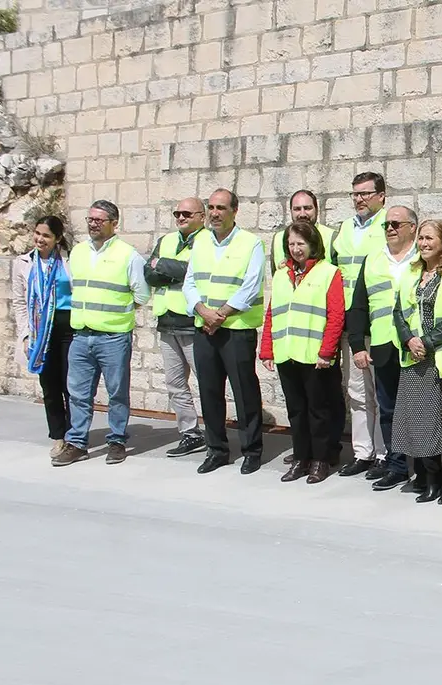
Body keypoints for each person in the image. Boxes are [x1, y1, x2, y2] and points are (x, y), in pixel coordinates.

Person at [52, 201, 149, 467]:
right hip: (81, 336)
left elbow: (141, 293)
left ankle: (117, 440)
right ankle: (77, 443)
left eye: (99, 219)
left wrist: (115, 315)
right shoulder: (79, 253)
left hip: (113, 337)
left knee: (117, 392)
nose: (93, 223)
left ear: (114, 223)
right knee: (78, 394)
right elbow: (76, 288)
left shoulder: (128, 255)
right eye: (90, 218)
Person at [185, 189, 268, 475]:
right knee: (209, 392)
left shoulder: (251, 244)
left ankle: (252, 450)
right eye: (210, 207)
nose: (214, 213)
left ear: (235, 211)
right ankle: (217, 450)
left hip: (236, 329)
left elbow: (251, 285)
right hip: (205, 328)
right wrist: (202, 311)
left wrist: (220, 314)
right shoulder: (200, 243)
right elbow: (190, 283)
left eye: (221, 207)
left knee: (244, 392)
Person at [260, 222, 345, 484]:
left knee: (318, 411)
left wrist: (327, 351)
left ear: (313, 245)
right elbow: (273, 313)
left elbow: (335, 315)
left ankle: (320, 460)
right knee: (296, 410)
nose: (296, 249)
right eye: (292, 244)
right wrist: (267, 350)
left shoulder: (329, 273)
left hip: (315, 356)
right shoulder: (282, 274)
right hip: (287, 353)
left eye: (301, 244)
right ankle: (301, 458)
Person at [392, 220, 442, 504]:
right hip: (414, 358)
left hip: (440, 357)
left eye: (429, 238)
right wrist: (410, 340)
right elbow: (398, 311)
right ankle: (430, 478)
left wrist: (427, 342)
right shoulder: (410, 273)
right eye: (420, 238)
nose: (423, 243)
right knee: (422, 424)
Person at [349, 205, 419, 492]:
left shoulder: (423, 255)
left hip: (416, 346)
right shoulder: (373, 259)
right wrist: (357, 345)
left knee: (419, 410)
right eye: (386, 225)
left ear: (412, 227)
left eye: (396, 224)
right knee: (389, 409)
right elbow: (359, 305)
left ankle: (427, 469)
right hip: (383, 344)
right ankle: (397, 465)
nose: (390, 229)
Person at [332, 172, 389, 478]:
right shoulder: (343, 229)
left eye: (366, 193)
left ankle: (383, 453)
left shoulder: (388, 226)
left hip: (378, 320)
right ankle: (362, 452)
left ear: (382, 195)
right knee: (357, 391)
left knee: (381, 392)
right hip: (350, 322)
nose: (359, 199)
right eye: (355, 194)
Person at [144, 197, 207, 458]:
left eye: (187, 214)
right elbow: (148, 272)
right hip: (167, 322)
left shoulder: (206, 241)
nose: (180, 218)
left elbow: (196, 270)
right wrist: (173, 270)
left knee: (207, 383)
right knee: (175, 383)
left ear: (201, 216)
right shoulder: (166, 241)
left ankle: (215, 433)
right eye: (177, 213)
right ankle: (190, 433)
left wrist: (164, 266)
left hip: (193, 324)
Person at [13, 216, 74, 459]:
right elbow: (19, 302)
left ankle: (75, 435)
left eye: (46, 235)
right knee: (49, 387)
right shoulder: (23, 263)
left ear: (58, 238)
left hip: (69, 329)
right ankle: (58, 437)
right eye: (37, 233)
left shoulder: (70, 261)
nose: (40, 239)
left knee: (72, 386)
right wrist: (26, 335)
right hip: (41, 332)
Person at [271, 190, 337, 273]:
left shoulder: (333, 238)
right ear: (291, 211)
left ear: (316, 209)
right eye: (297, 209)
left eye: (307, 208)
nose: (302, 214)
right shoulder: (278, 239)